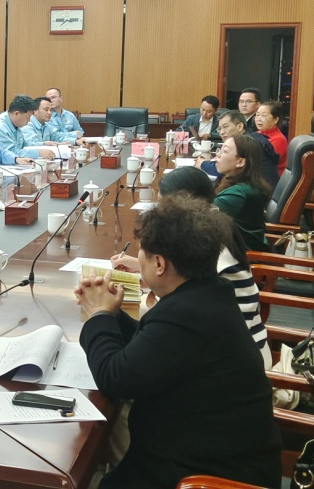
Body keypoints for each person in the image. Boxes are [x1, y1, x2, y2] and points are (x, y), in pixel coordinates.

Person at [75, 195, 281, 489]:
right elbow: (155, 345)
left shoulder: (186, 314)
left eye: (142, 251)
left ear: (159, 263)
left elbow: (114, 378)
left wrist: (99, 314)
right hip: (212, 454)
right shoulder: (209, 292)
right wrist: (114, 315)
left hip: (206, 478)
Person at [111, 167, 271, 368]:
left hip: (232, 359)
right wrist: (142, 267)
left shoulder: (209, 247)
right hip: (230, 346)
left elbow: (180, 303)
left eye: (163, 205)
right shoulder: (212, 228)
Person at [212, 135, 272, 252]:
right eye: (219, 149)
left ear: (240, 162)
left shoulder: (238, 194)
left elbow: (202, 219)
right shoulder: (247, 184)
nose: (217, 155)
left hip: (243, 258)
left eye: (225, 151)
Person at [197, 111, 279, 189]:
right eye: (219, 129)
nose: (221, 132)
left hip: (262, 192)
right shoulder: (250, 138)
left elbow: (223, 170)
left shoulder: (247, 144)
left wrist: (202, 164)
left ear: (240, 127)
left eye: (225, 127)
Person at [0, 95, 56, 160]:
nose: (29, 120)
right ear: (16, 114)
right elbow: (10, 153)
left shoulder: (16, 123)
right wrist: (38, 153)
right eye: (28, 117)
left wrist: (43, 144)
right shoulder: (0, 127)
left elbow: (25, 144)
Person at [255, 100, 288, 177]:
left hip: (269, 178)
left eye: (264, 116)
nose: (259, 119)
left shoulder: (279, 139)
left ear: (275, 119)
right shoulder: (256, 134)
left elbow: (263, 163)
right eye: (257, 115)